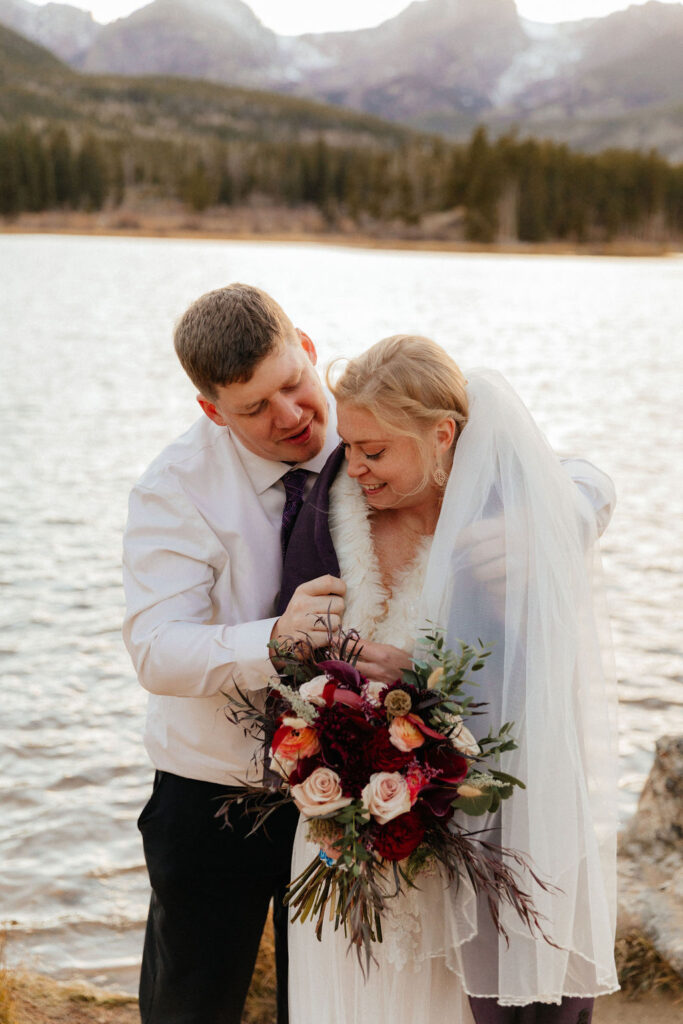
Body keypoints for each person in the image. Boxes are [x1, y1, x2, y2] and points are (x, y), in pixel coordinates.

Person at [123, 284, 614, 1024]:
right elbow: (156, 648)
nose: (291, 416)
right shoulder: (174, 488)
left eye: (292, 384)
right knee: (191, 998)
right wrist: (276, 640)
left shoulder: (369, 421)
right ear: (212, 411)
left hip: (355, 805)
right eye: (255, 408)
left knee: (326, 995)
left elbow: (574, 473)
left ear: (309, 351)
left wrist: (546, 528)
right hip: (213, 790)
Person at [278, 336, 618, 1024]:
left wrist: (420, 683)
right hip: (343, 836)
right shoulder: (328, 516)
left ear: (441, 435)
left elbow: (589, 485)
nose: (356, 466)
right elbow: (290, 671)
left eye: (376, 451)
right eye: (350, 446)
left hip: (466, 836)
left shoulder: (500, 521)